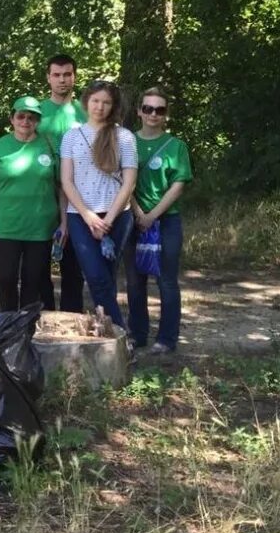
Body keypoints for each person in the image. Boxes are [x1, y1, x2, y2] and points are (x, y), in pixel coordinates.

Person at [59, 80, 137, 329]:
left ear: (113, 106)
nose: (99, 107)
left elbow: (129, 182)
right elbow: (67, 181)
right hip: (80, 216)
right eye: (95, 101)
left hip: (117, 216)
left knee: (107, 277)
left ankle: (105, 329)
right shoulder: (71, 136)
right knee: (95, 276)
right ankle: (120, 335)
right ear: (86, 102)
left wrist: (108, 220)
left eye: (106, 102)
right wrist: (89, 216)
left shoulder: (124, 137)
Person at [123, 87, 193, 354]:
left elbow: (178, 186)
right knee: (134, 279)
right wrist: (137, 211)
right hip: (132, 219)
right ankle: (138, 334)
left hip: (167, 221)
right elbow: (121, 179)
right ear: (140, 111)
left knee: (166, 280)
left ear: (166, 115)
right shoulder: (126, 142)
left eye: (160, 110)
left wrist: (152, 215)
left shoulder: (176, 146)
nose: (153, 114)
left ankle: (166, 338)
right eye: (148, 108)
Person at [0, 96, 65, 312]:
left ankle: (26, 329)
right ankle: (7, 325)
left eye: (32, 117)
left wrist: (65, 223)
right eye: (21, 116)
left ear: (38, 120)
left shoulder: (50, 144)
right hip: (8, 226)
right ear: (12, 118)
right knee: (6, 279)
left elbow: (61, 187)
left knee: (32, 281)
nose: (26, 121)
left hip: (40, 228)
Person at [38, 54, 87, 312]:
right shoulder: (37, 112)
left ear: (74, 77)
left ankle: (72, 316)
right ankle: (44, 317)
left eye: (67, 74)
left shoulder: (86, 112)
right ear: (48, 78)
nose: (62, 80)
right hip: (43, 194)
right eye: (56, 75)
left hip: (78, 195)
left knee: (73, 264)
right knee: (39, 260)